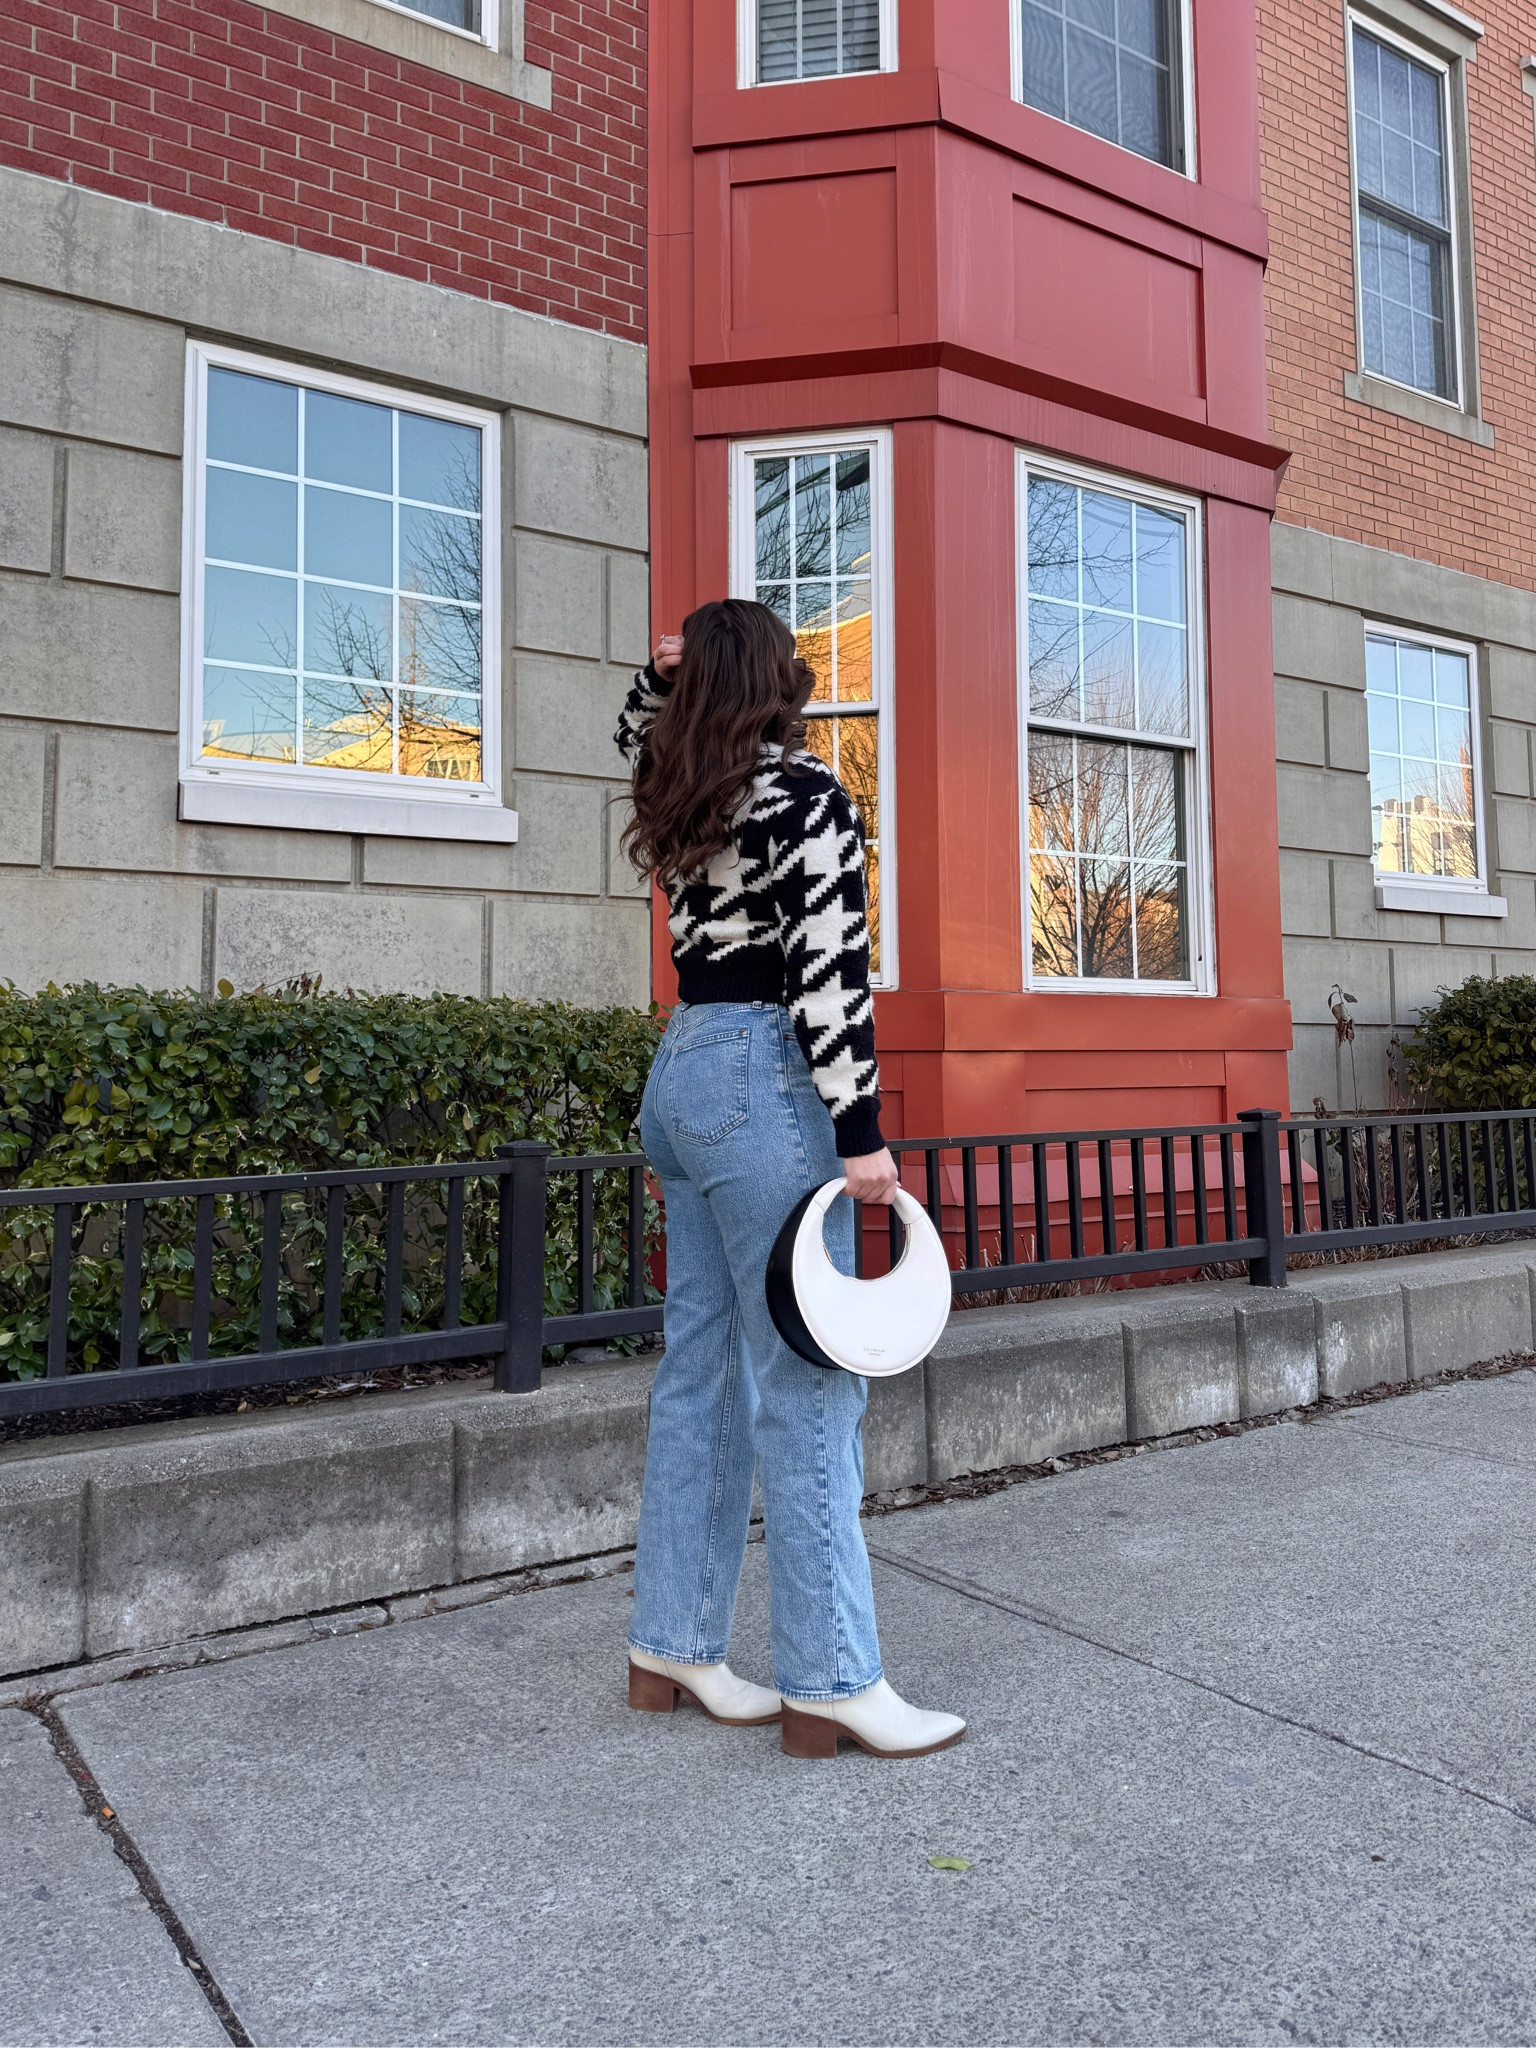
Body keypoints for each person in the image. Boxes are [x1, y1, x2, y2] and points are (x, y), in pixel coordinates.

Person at [614, 597, 965, 1760]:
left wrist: (659, 679)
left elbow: (635, 740)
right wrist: (860, 1130)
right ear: (782, 684)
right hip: (765, 1082)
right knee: (811, 1383)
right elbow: (828, 970)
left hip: (681, 1073)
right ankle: (831, 1678)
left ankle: (673, 1642)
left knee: (701, 1371)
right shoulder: (805, 797)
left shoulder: (681, 785)